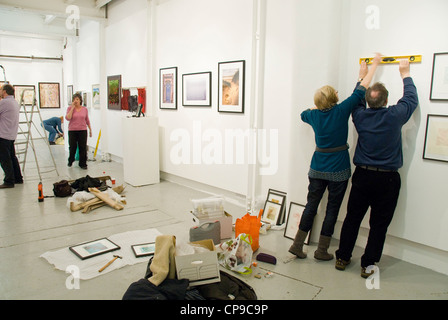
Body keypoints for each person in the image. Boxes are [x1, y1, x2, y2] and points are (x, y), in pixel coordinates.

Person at [288, 54, 382, 261]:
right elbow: (361, 91)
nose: (338, 93)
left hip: (317, 167)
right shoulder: (341, 110)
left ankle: (297, 244)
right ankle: (322, 250)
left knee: (311, 206)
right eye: (335, 92)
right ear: (333, 98)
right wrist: (372, 67)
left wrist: (316, 107)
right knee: (332, 209)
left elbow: (303, 113)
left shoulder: (312, 115)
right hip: (338, 168)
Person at [335, 59, 418, 278]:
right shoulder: (394, 115)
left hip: (363, 176)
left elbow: (356, 101)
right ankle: (368, 264)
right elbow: (411, 99)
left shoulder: (360, 116)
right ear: (387, 100)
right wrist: (405, 73)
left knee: (352, 218)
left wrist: (361, 77)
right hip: (387, 180)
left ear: (368, 102)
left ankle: (343, 257)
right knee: (378, 225)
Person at [0, 84, 23, 188]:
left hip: (3, 135)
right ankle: (18, 178)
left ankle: (9, 181)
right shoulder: (14, 102)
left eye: (1, 90)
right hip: (11, 134)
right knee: (12, 157)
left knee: (5, 158)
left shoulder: (4, 102)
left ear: (4, 91)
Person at [66, 92, 92, 169]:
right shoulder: (69, 108)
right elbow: (68, 118)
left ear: (80, 100)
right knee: (72, 146)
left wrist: (90, 129)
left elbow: (87, 119)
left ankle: (83, 163)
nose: (76, 101)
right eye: (74, 99)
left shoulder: (84, 109)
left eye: (77, 99)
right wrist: (72, 108)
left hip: (82, 130)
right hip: (72, 130)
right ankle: (71, 160)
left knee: (82, 147)